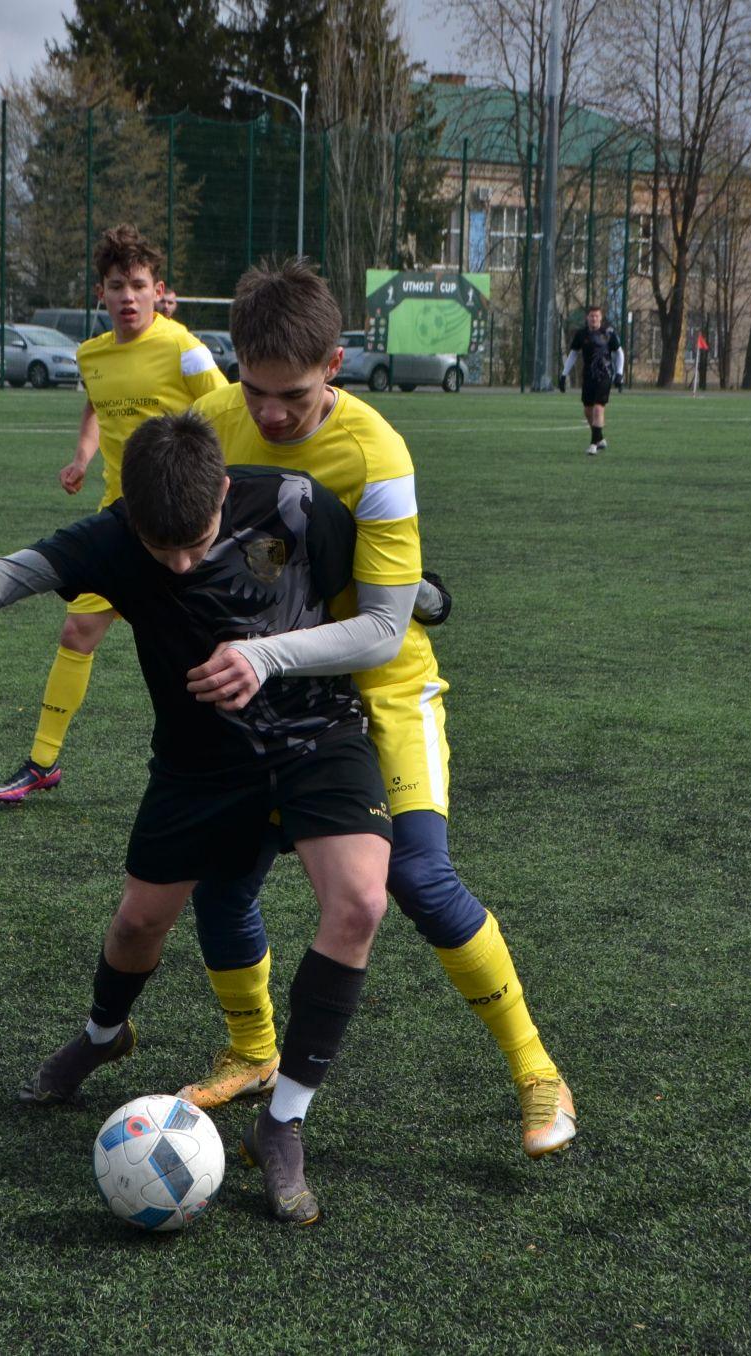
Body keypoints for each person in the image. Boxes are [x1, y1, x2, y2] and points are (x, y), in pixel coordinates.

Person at [0, 411, 400, 1225]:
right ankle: (103, 1034)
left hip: (317, 739)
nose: (182, 563)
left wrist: (423, 592)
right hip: (199, 762)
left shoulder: (297, 504)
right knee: (136, 927)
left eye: (194, 543)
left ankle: (285, 1119)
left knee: (361, 903)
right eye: (163, 551)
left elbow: (374, 590)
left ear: (224, 490)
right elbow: (10, 573)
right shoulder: (118, 535)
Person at [180, 259, 577, 1160]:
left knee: (420, 878)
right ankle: (250, 1050)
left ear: (337, 362)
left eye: (294, 393)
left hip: (380, 691)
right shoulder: (211, 424)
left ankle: (537, 1070)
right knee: (221, 873)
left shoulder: (378, 453)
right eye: (256, 389)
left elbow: (382, 634)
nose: (271, 414)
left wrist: (265, 648)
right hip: (265, 695)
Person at [0, 226, 226, 805]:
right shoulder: (92, 355)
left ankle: (227, 763)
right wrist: (81, 457)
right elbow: (97, 407)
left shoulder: (184, 348)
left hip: (181, 522)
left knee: (205, 646)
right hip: (119, 520)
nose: (128, 295)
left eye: (138, 285)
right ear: (102, 293)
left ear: (158, 290)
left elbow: (226, 415)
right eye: (117, 285)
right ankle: (41, 761)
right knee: (77, 631)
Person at [563, 305, 621, 455]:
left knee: (598, 408)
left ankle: (593, 445)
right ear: (587, 318)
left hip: (605, 376)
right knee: (588, 410)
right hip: (589, 377)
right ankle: (600, 438)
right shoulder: (581, 335)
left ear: (601, 318)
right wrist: (564, 374)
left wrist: (619, 373)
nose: (594, 318)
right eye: (591, 316)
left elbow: (619, 353)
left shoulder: (609, 333)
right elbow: (573, 354)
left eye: (596, 316)